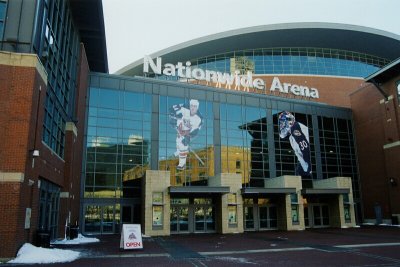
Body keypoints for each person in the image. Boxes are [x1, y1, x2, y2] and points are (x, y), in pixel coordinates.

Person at [169, 99, 203, 170]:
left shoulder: (199, 119)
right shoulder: (184, 107)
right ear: (189, 106)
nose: (193, 108)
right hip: (180, 127)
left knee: (183, 144)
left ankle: (182, 164)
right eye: (192, 106)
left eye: (195, 106)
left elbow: (195, 132)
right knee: (178, 140)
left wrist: (188, 137)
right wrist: (173, 116)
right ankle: (179, 151)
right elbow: (172, 108)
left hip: (189, 132)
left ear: (197, 107)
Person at [278, 111, 311, 176]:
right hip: (306, 165)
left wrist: (309, 169)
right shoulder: (292, 134)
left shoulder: (295, 128)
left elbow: (306, 150)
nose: (281, 125)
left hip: (308, 166)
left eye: (282, 122)